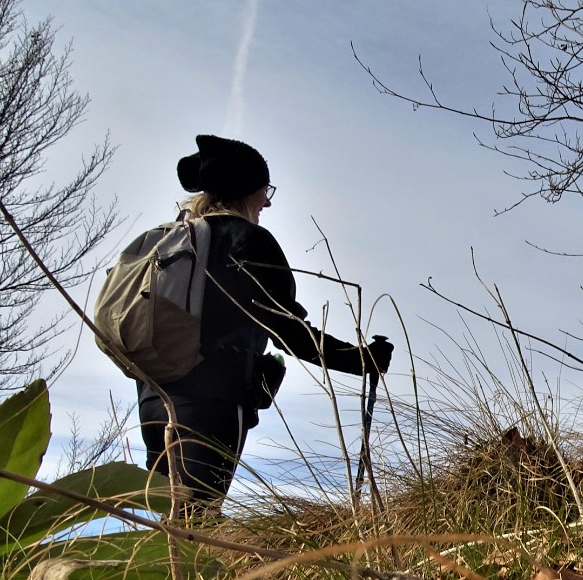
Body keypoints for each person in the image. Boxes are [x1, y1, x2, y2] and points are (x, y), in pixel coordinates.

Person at [134, 134, 393, 511]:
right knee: (196, 519)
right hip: (211, 402)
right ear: (243, 189)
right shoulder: (246, 240)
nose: (267, 201)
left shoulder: (171, 242)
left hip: (152, 396)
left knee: (167, 517)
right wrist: (359, 360)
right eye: (263, 189)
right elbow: (288, 329)